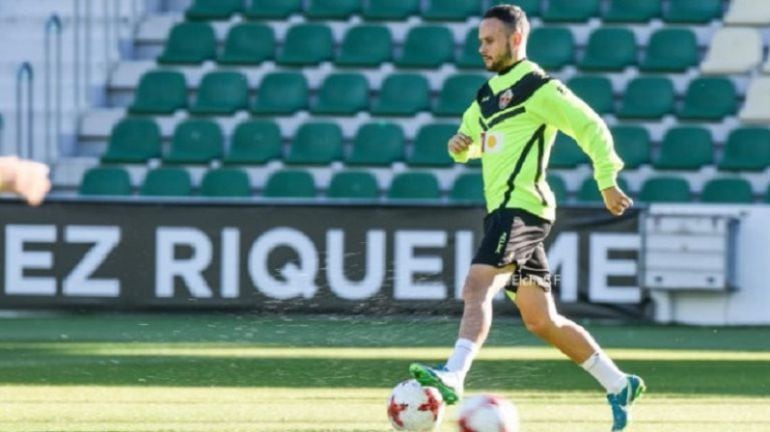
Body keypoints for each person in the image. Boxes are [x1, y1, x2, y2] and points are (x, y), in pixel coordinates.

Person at [408, 4, 644, 431]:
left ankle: (454, 374)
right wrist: (460, 146)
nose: (481, 48)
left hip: (523, 209)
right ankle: (618, 383)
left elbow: (591, 127)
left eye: (489, 40)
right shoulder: (485, 95)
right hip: (504, 212)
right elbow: (477, 142)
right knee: (541, 319)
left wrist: (607, 179)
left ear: (516, 40)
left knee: (476, 283)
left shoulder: (540, 89)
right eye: (480, 40)